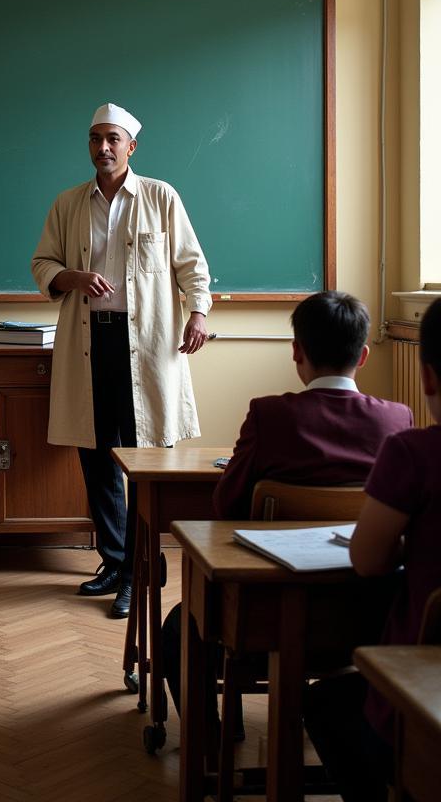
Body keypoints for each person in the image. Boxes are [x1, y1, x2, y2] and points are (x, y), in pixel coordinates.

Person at [160, 290, 412, 742]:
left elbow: (226, 505)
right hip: (369, 618)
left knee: (180, 627)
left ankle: (215, 743)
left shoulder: (269, 415)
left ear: (297, 351)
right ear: (365, 355)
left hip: (267, 617)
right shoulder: (396, 421)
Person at [31, 102, 212, 618]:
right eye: (94, 139)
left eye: (112, 139)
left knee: (144, 461)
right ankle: (113, 561)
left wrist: (198, 313)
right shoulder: (68, 204)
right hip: (90, 342)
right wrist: (73, 277)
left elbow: (191, 265)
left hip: (148, 346)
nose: (102, 148)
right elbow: (43, 262)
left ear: (132, 145)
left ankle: (137, 572)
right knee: (96, 455)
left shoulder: (160, 197)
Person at [303, 295, 441, 802]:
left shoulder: (415, 454)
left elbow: (367, 560)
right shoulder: (395, 422)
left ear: (426, 376)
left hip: (422, 687)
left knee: (324, 704)